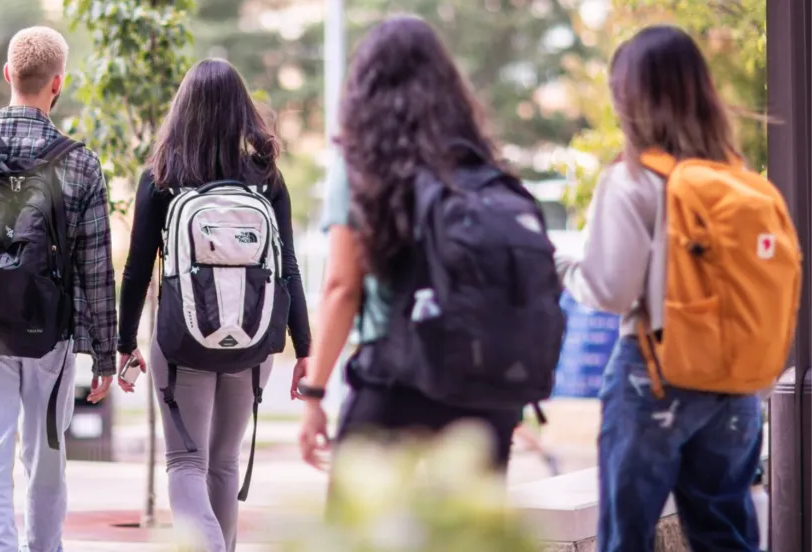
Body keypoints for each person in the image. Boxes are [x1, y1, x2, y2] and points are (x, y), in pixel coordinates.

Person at [556, 25, 798, 552]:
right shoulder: (739, 182)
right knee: (725, 535)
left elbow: (610, 291)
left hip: (654, 376)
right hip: (735, 386)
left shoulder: (632, 181)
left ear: (629, 98)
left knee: (628, 536)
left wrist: (558, 265)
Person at [296, 15, 564, 476]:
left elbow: (342, 286)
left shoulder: (361, 161)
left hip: (395, 378)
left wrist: (315, 395)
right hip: (481, 391)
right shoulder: (477, 162)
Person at [0, 26, 117, 552]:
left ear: (8, 74)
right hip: (48, 338)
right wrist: (104, 354)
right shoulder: (80, 163)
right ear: (58, 83)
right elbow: (95, 267)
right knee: (46, 461)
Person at [115, 58, 311, 552]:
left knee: (185, 463)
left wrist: (123, 343)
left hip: (183, 341)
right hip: (255, 343)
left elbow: (137, 269)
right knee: (224, 462)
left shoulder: (161, 175)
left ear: (184, 111)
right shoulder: (267, 177)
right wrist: (303, 347)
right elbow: (287, 267)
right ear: (242, 111)